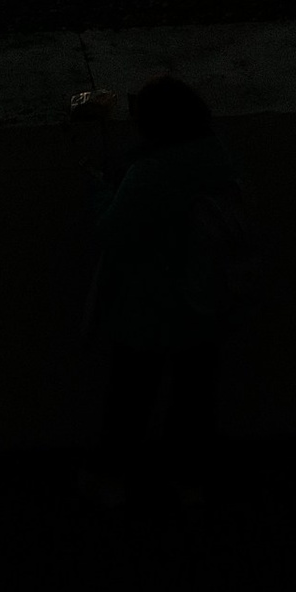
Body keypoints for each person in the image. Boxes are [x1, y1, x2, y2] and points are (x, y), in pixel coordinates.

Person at [75, 70, 258, 511]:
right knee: (194, 399)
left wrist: (97, 188)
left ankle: (111, 480)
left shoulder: (150, 173)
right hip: (206, 300)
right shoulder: (215, 156)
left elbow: (110, 231)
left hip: (151, 304)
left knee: (130, 396)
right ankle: (190, 482)